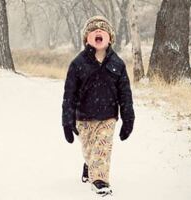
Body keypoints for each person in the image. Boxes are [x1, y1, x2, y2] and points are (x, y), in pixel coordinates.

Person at [62, 16, 135, 196]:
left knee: (102, 149)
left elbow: (125, 94)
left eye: (103, 29)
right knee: (89, 150)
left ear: (110, 37)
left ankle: (100, 180)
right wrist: (67, 120)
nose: (98, 31)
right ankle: (88, 164)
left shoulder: (117, 63)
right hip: (84, 117)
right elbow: (69, 94)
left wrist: (128, 118)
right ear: (86, 37)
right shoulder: (78, 64)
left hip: (108, 117)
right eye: (93, 29)